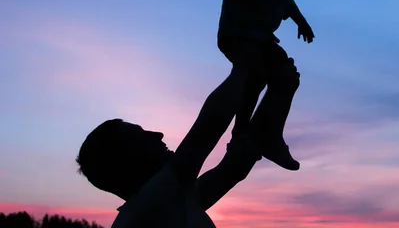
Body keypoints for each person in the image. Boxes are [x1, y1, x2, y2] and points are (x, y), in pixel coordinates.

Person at [168, 0, 317, 171]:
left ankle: (270, 135)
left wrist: (301, 21)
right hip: (238, 36)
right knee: (254, 74)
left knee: (287, 77)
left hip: (263, 40)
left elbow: (288, 2)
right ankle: (241, 132)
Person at [76, 61, 300, 228]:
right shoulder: (146, 212)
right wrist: (243, 66)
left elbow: (235, 166)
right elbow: (207, 130)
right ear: (125, 162)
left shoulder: (172, 203)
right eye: (142, 136)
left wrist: (279, 91)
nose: (158, 134)